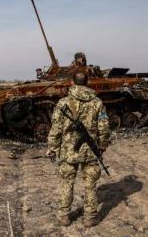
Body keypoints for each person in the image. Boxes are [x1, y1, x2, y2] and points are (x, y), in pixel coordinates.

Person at [46, 71, 110, 227]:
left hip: (68, 151)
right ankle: (90, 217)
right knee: (90, 184)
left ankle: (63, 215)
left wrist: (52, 147)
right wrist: (102, 146)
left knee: (67, 182)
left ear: (72, 83)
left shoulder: (63, 103)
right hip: (90, 151)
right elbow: (104, 127)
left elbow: (56, 128)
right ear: (87, 82)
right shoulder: (97, 103)